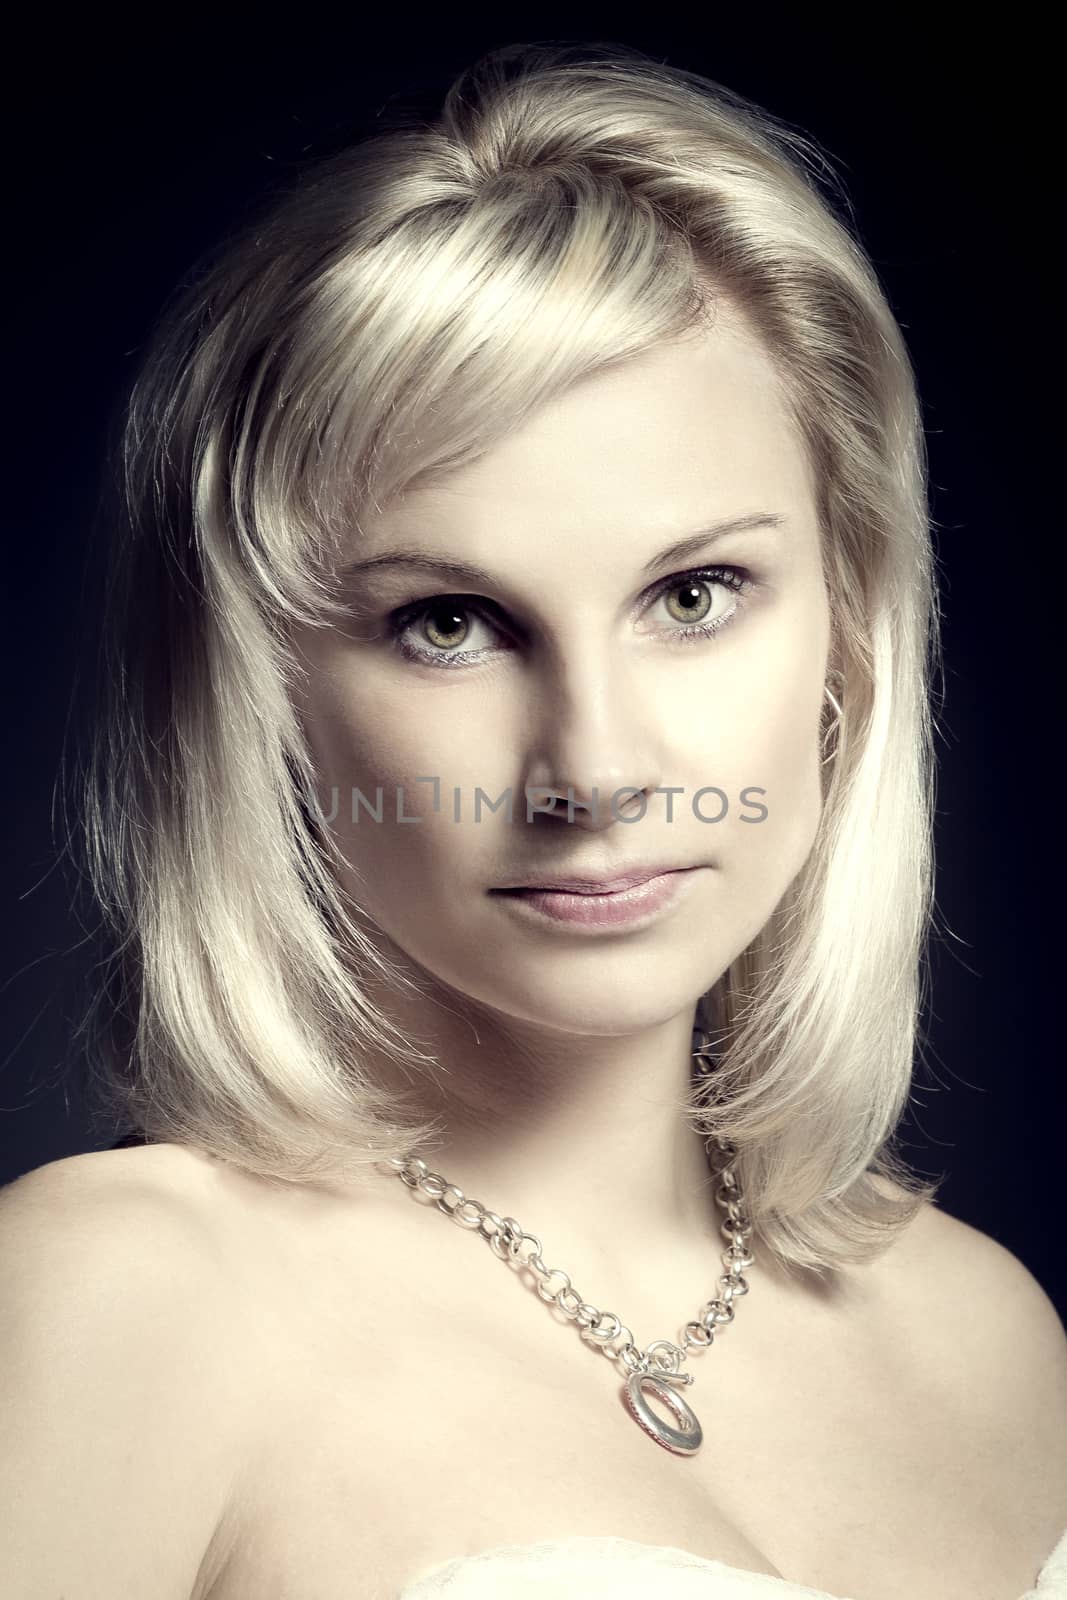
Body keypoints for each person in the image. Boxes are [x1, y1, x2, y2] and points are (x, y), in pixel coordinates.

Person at [2, 39, 1065, 1600]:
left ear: (850, 626)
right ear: (262, 689)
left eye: (695, 595)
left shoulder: (989, 1332)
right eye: (449, 622)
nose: (599, 769)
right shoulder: (112, 1302)